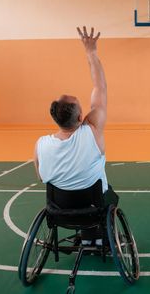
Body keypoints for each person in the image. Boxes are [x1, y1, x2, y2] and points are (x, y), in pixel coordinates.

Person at [34, 26, 117, 242]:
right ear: (81, 118)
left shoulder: (40, 145)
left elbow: (42, 176)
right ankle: (98, 237)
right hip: (93, 204)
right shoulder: (92, 131)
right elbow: (101, 87)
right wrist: (91, 52)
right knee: (110, 196)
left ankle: (88, 235)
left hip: (60, 209)